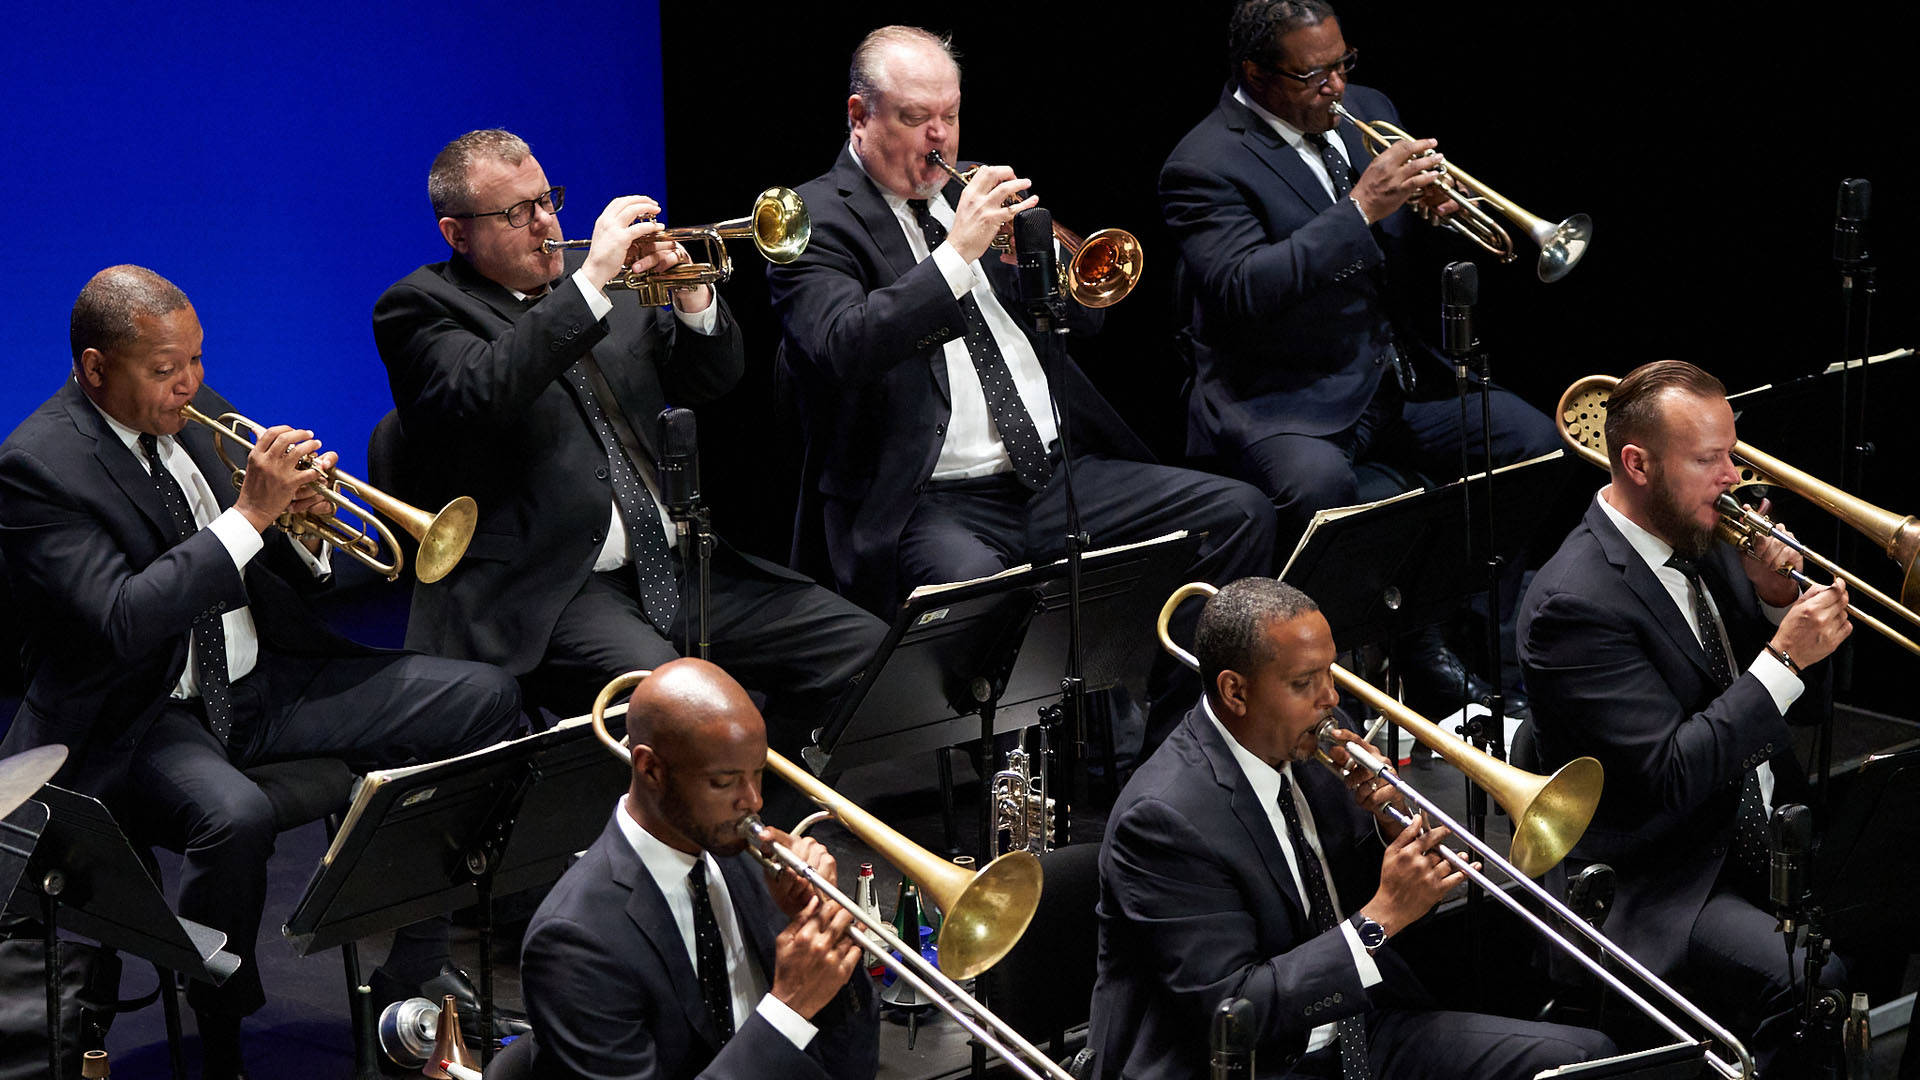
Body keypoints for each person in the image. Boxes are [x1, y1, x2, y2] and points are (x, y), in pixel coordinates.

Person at [0, 266, 524, 1079]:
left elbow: (263, 567)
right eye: (165, 369)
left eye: (197, 360)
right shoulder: (37, 466)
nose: (191, 385)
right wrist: (252, 515)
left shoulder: (200, 415)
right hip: (143, 714)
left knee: (483, 699)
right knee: (234, 817)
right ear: (96, 367)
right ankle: (221, 1026)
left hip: (262, 685)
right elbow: (123, 619)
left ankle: (414, 969)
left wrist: (303, 527)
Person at [766, 26, 1277, 746]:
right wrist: (957, 253)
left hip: (1050, 473)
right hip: (924, 501)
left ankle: (1173, 749)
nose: (937, 137)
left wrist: (1046, 261)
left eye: (950, 114)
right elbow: (842, 345)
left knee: (1237, 514)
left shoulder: (968, 191)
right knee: (981, 591)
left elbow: (1083, 328)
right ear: (859, 115)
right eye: (915, 119)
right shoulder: (809, 220)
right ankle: (1015, 793)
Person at [372, 130, 887, 768]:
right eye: (516, 214)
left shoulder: (606, 291)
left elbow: (710, 380)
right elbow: (485, 393)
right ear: (457, 234)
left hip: (682, 566)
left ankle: (751, 804)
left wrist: (693, 296)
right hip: (557, 590)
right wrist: (586, 286)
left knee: (869, 652)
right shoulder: (420, 309)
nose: (544, 224)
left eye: (546, 199)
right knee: (682, 709)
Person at [1159, 0, 1561, 714]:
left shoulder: (1368, 109)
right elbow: (1241, 289)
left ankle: (1476, 655)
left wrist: (1431, 214)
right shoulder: (1203, 163)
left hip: (1390, 379)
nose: (1337, 88)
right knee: (1318, 488)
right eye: (1313, 74)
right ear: (1255, 73)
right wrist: (1359, 208)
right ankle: (1334, 692)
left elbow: (1387, 259)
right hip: (1281, 397)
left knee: (1526, 443)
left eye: (1343, 64)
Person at [1091, 577, 1614, 1080]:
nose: (1330, 699)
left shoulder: (1308, 753)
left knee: (1585, 1058)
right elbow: (1232, 1013)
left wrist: (1387, 823)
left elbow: (1347, 901)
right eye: (1303, 683)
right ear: (1235, 692)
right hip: (1256, 1062)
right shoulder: (1163, 819)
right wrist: (1379, 919)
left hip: (1359, 1032)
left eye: (1330, 672)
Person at [1518, 360, 1855, 1073]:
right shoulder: (1573, 605)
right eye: (1709, 460)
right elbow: (1670, 775)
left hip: (1767, 834)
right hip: (1665, 876)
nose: (1734, 476)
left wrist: (1771, 603)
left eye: (1731, 452)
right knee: (1808, 982)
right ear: (1637, 464)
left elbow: (1808, 712)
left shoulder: (1705, 541)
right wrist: (1783, 657)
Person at [520, 657, 878, 1080]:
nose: (754, 802)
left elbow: (852, 1068)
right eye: (724, 782)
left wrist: (821, 927)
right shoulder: (573, 941)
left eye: (757, 774)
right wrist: (788, 1008)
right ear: (650, 768)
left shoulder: (751, 860)